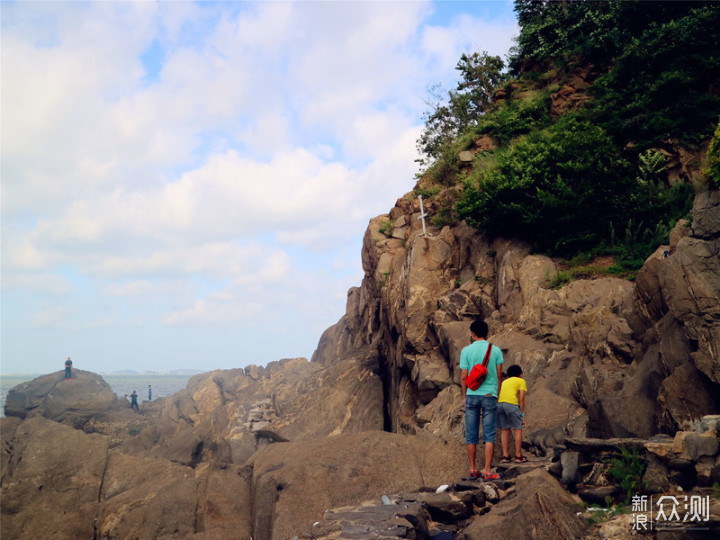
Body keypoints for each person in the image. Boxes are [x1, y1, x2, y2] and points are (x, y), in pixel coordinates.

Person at [460, 318, 503, 480]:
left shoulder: (466, 351)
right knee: (489, 434)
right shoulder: (496, 350)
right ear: (486, 333)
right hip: (489, 395)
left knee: (471, 434)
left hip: (472, 395)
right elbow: (499, 375)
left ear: (473, 334)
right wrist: (496, 393)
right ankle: (487, 470)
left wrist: (465, 396)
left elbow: (464, 377)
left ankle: (472, 469)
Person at [498, 364, 528, 463]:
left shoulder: (504, 382)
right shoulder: (521, 381)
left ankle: (505, 456)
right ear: (520, 375)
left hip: (500, 405)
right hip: (511, 404)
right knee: (518, 429)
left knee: (505, 430)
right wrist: (521, 413)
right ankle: (518, 456)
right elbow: (522, 398)